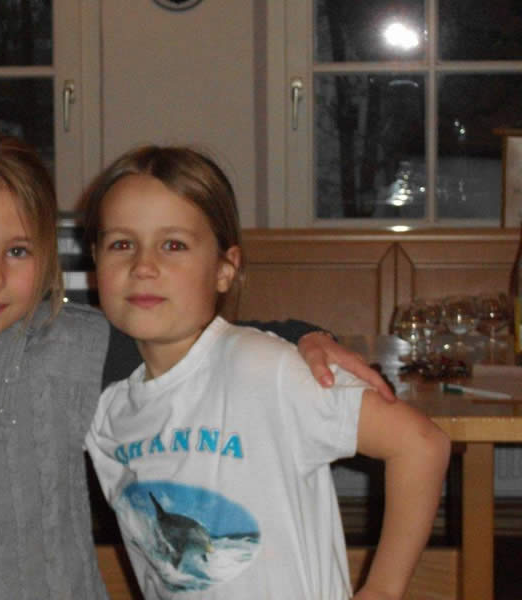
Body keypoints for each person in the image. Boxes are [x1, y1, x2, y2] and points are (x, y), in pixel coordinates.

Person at [0, 130, 380, 600]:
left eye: (18, 251)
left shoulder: (71, 346)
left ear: (49, 260)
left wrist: (306, 336)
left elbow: (201, 339)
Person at [81, 145, 451, 599]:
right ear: (95, 263)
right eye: (121, 244)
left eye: (173, 245)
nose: (143, 266)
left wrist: (383, 589)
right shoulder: (105, 411)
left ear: (225, 269)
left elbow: (421, 444)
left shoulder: (264, 367)